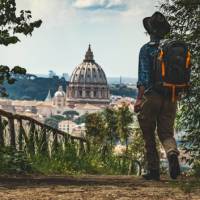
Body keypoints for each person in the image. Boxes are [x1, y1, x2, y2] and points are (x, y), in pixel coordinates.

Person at [134, 12, 180, 180]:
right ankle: (172, 153)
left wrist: (139, 99)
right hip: (171, 95)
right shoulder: (172, 49)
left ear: (150, 30)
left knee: (148, 132)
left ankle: (154, 170)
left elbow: (143, 79)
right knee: (167, 133)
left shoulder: (146, 49)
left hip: (152, 96)